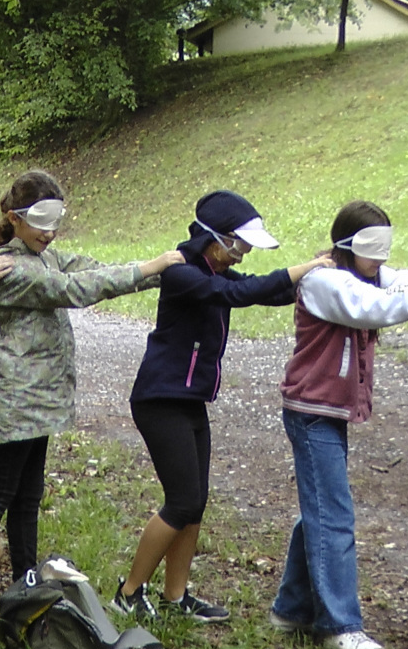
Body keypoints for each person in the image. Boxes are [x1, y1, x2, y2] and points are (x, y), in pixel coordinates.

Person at [270, 201, 408, 649]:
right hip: (311, 411)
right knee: (332, 514)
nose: (382, 261)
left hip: (328, 411)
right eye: (374, 249)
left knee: (320, 506)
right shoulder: (325, 281)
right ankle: (339, 624)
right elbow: (377, 309)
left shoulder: (369, 274)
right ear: (347, 245)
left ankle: (292, 608)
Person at [113, 191, 332, 623]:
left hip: (190, 401)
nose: (244, 254)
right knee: (180, 502)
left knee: (196, 502)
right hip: (160, 400)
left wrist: (316, 276)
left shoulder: (215, 271)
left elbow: (264, 292)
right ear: (217, 238)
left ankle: (177, 597)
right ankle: (128, 593)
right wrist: (303, 268)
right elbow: (242, 293)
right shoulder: (183, 273)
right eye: (241, 245)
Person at [0, 170, 181, 579]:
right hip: (14, 400)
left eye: (56, 224)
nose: (50, 234)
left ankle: (24, 582)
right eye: (41, 224)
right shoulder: (6, 266)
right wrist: (147, 268)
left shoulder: (44, 255)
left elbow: (95, 270)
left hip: (39, 401)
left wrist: (167, 272)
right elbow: (73, 289)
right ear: (15, 218)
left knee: (29, 495)